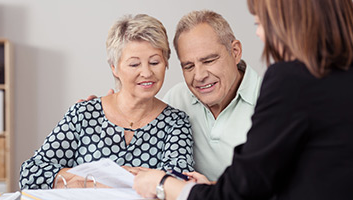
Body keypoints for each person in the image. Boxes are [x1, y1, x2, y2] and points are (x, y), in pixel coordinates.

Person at [132, 0, 353, 199]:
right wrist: (108, 109)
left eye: (260, 22)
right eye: (188, 66)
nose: (259, 33)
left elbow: (244, 189)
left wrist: (164, 184)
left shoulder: (289, 83)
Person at [19, 14, 194, 190]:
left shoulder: (176, 122)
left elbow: (179, 184)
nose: (147, 73)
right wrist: (92, 178)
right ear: (114, 68)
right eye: (134, 64)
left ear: (166, 63)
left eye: (155, 62)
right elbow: (31, 173)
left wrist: (87, 179)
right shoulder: (83, 114)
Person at [83, 10, 262, 182]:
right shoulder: (178, 98)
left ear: (235, 52)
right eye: (188, 66)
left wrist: (213, 190)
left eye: (208, 61)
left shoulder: (274, 101)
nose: (199, 76)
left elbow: (284, 185)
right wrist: (103, 110)